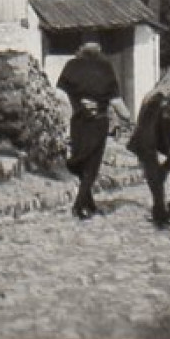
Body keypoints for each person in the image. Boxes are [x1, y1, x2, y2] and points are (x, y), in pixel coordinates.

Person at [57, 41, 131, 220]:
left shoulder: (71, 66)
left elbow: (59, 94)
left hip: (78, 121)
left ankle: (89, 204)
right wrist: (127, 116)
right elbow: (115, 101)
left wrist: (77, 106)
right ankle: (79, 205)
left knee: (81, 161)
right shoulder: (105, 67)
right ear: (99, 51)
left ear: (81, 50)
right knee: (92, 166)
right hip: (98, 123)